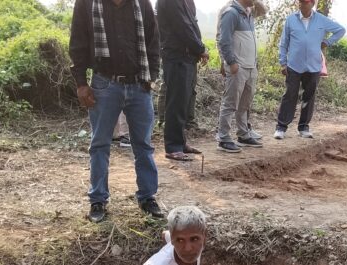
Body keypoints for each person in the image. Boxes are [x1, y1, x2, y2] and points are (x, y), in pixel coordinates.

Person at [69, 0, 163, 223]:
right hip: (104, 84)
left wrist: (151, 77)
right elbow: (78, 42)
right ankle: (98, 200)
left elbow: (153, 41)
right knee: (100, 143)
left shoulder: (142, 4)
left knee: (144, 144)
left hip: (139, 84)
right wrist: (81, 83)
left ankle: (147, 197)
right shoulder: (87, 3)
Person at [274, 0, 345, 140]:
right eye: (300, 2)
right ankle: (281, 127)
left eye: (305, 2)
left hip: (313, 66)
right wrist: (283, 63)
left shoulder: (321, 20)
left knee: (309, 96)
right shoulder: (291, 20)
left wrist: (328, 42)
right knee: (289, 95)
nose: (301, 5)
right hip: (294, 65)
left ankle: (303, 127)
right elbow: (284, 43)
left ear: (312, 4)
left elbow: (340, 30)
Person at [156, 0, 210, 161]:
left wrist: (199, 48)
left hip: (186, 57)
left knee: (183, 102)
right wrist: (200, 48)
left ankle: (180, 143)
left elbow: (191, 24)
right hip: (177, 56)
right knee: (176, 101)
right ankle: (173, 147)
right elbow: (183, 27)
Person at [215, 0, 268, 153]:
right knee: (230, 103)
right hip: (237, 67)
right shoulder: (231, 13)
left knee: (245, 103)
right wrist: (231, 62)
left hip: (250, 66)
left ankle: (243, 134)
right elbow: (224, 40)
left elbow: (264, 10)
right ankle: (223, 138)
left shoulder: (249, 12)